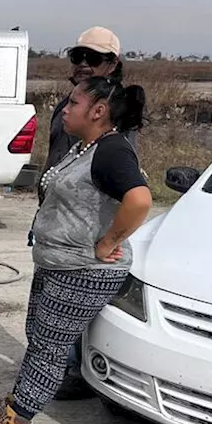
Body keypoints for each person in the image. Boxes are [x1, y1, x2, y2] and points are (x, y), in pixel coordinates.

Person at [0, 76, 152, 424]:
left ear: (98, 111)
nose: (65, 110)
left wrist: (108, 242)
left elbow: (140, 200)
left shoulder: (112, 150)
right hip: (59, 262)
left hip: (84, 269)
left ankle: (19, 420)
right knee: (40, 336)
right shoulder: (87, 146)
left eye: (73, 104)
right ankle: (21, 400)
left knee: (50, 345)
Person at [40, 27, 127, 401]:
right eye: (78, 57)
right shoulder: (69, 104)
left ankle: (75, 374)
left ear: (113, 64)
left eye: (94, 59)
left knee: (71, 308)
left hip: (84, 231)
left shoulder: (116, 117)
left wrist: (109, 239)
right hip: (55, 223)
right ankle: (56, 369)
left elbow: (130, 192)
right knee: (49, 306)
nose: (84, 65)